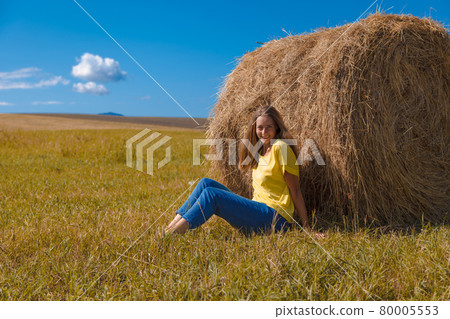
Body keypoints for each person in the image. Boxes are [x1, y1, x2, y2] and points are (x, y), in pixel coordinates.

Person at [165, 106, 322, 238]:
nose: (264, 132)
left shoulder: (280, 148)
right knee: (206, 183)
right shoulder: (258, 151)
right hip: (258, 210)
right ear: (254, 129)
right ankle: (170, 227)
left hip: (275, 219)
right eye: (260, 127)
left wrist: (306, 228)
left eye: (269, 127)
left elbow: (295, 190)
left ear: (277, 128)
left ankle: (173, 234)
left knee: (212, 194)